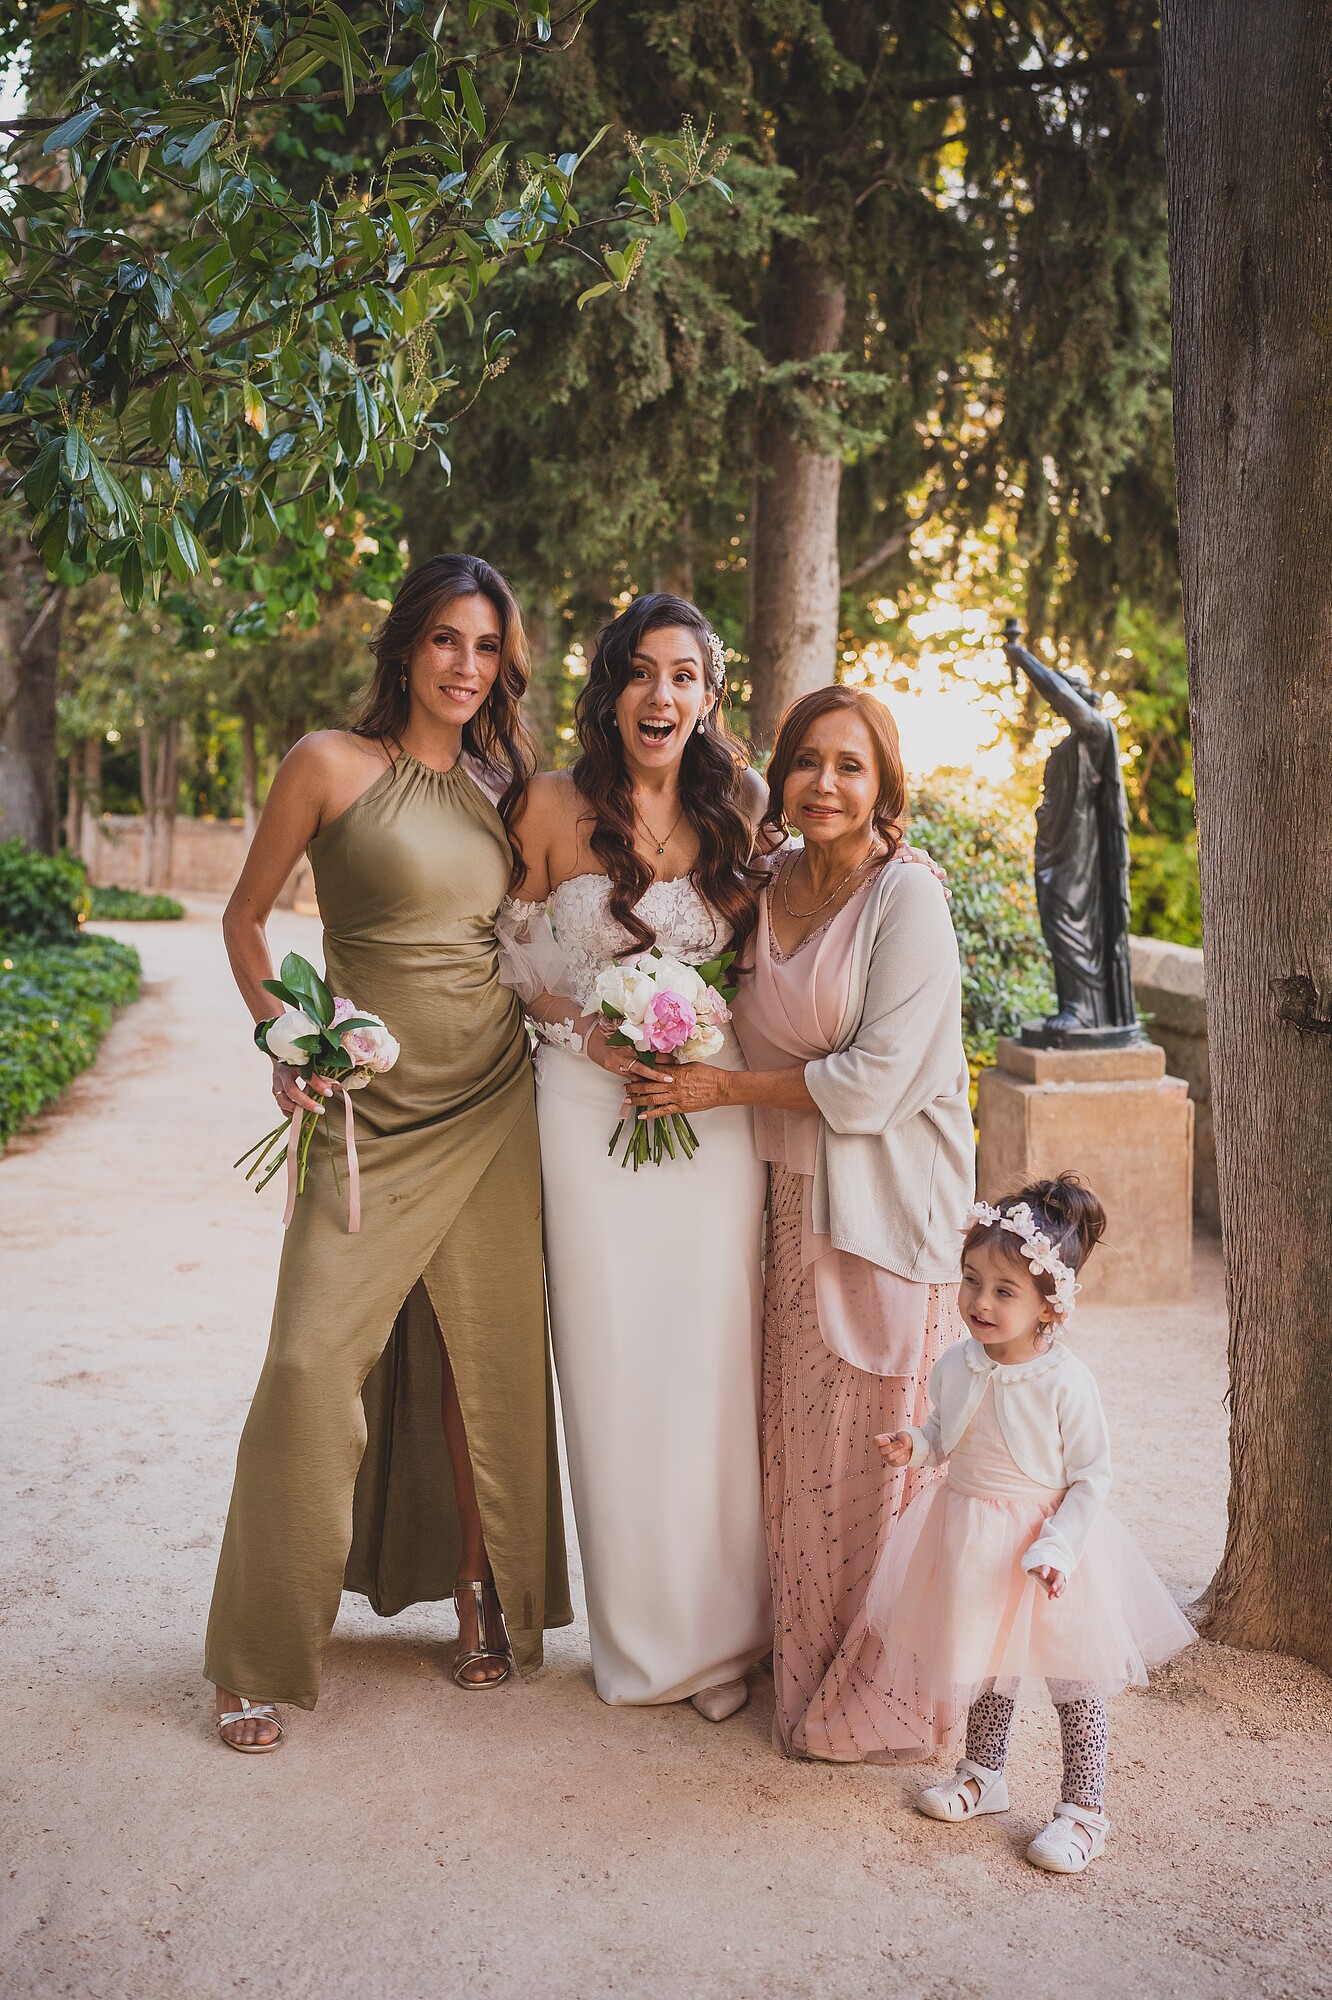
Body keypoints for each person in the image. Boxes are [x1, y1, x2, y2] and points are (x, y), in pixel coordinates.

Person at [205, 554, 570, 1752]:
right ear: (407, 644)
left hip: (491, 1098)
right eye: (447, 641)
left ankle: (478, 1592)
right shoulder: (327, 764)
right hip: (367, 1109)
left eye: (486, 648)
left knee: (485, 1365)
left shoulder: (506, 787)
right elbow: (245, 916)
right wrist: (286, 1032)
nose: (467, 667)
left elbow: (577, 896)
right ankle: (258, 1647)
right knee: (311, 1361)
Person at [628, 686, 975, 1758]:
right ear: (779, 776)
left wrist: (720, 1097)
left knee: (876, 1450)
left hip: (883, 1204)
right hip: (784, 1198)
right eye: (807, 762)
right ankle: (808, 1653)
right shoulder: (769, 882)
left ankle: (885, 1692)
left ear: (884, 787)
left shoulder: (907, 896)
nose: (826, 783)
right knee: (797, 1450)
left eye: (851, 766)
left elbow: (872, 1086)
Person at [497, 593, 772, 1720]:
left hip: (707, 1114)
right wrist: (583, 1024)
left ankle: (726, 1639)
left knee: (710, 1365)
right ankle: (647, 1643)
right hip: (581, 1106)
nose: (664, 696)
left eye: (686, 676)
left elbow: (778, 947)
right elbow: (505, 949)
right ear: (610, 687)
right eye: (643, 673)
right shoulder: (550, 805)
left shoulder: (741, 804)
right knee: (612, 1363)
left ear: (710, 696)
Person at [873, 1175, 1197, 1873]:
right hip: (970, 1539)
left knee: (1075, 1685)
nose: (979, 1302)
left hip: (1048, 1554)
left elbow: (1092, 1478)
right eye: (970, 1281)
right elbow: (944, 1430)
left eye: (1003, 1290)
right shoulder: (954, 1365)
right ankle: (983, 1774)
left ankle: (1084, 1811)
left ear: (1049, 1307)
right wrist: (917, 1445)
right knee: (989, 1664)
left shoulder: (1066, 1383)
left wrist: (1058, 1546)